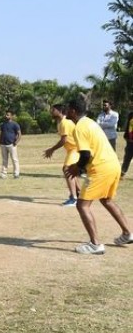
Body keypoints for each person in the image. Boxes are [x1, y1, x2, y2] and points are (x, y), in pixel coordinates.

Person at [64, 98, 132, 254]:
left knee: (82, 205)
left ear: (73, 111)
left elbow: (86, 155)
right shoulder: (90, 122)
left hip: (100, 168)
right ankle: (128, 233)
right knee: (106, 200)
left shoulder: (79, 127)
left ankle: (95, 245)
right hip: (113, 165)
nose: (66, 112)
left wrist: (77, 168)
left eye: (68, 109)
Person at [43, 104, 81, 206]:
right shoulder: (60, 123)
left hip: (76, 149)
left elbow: (63, 140)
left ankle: (74, 198)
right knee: (72, 171)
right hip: (72, 150)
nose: (51, 111)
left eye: (53, 110)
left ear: (60, 111)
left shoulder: (65, 122)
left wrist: (52, 149)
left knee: (67, 170)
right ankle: (79, 194)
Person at [0, 110, 21, 179]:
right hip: (3, 144)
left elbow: (19, 134)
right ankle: (3, 174)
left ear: (11, 116)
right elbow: (1, 134)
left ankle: (16, 173)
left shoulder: (15, 124)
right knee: (4, 160)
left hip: (11, 144)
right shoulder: (3, 124)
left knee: (14, 159)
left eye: (8, 115)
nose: (6, 116)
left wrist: (16, 142)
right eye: (6, 115)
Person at [121, 111, 133, 178]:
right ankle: (122, 172)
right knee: (127, 157)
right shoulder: (131, 114)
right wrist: (126, 136)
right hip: (130, 141)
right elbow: (128, 126)